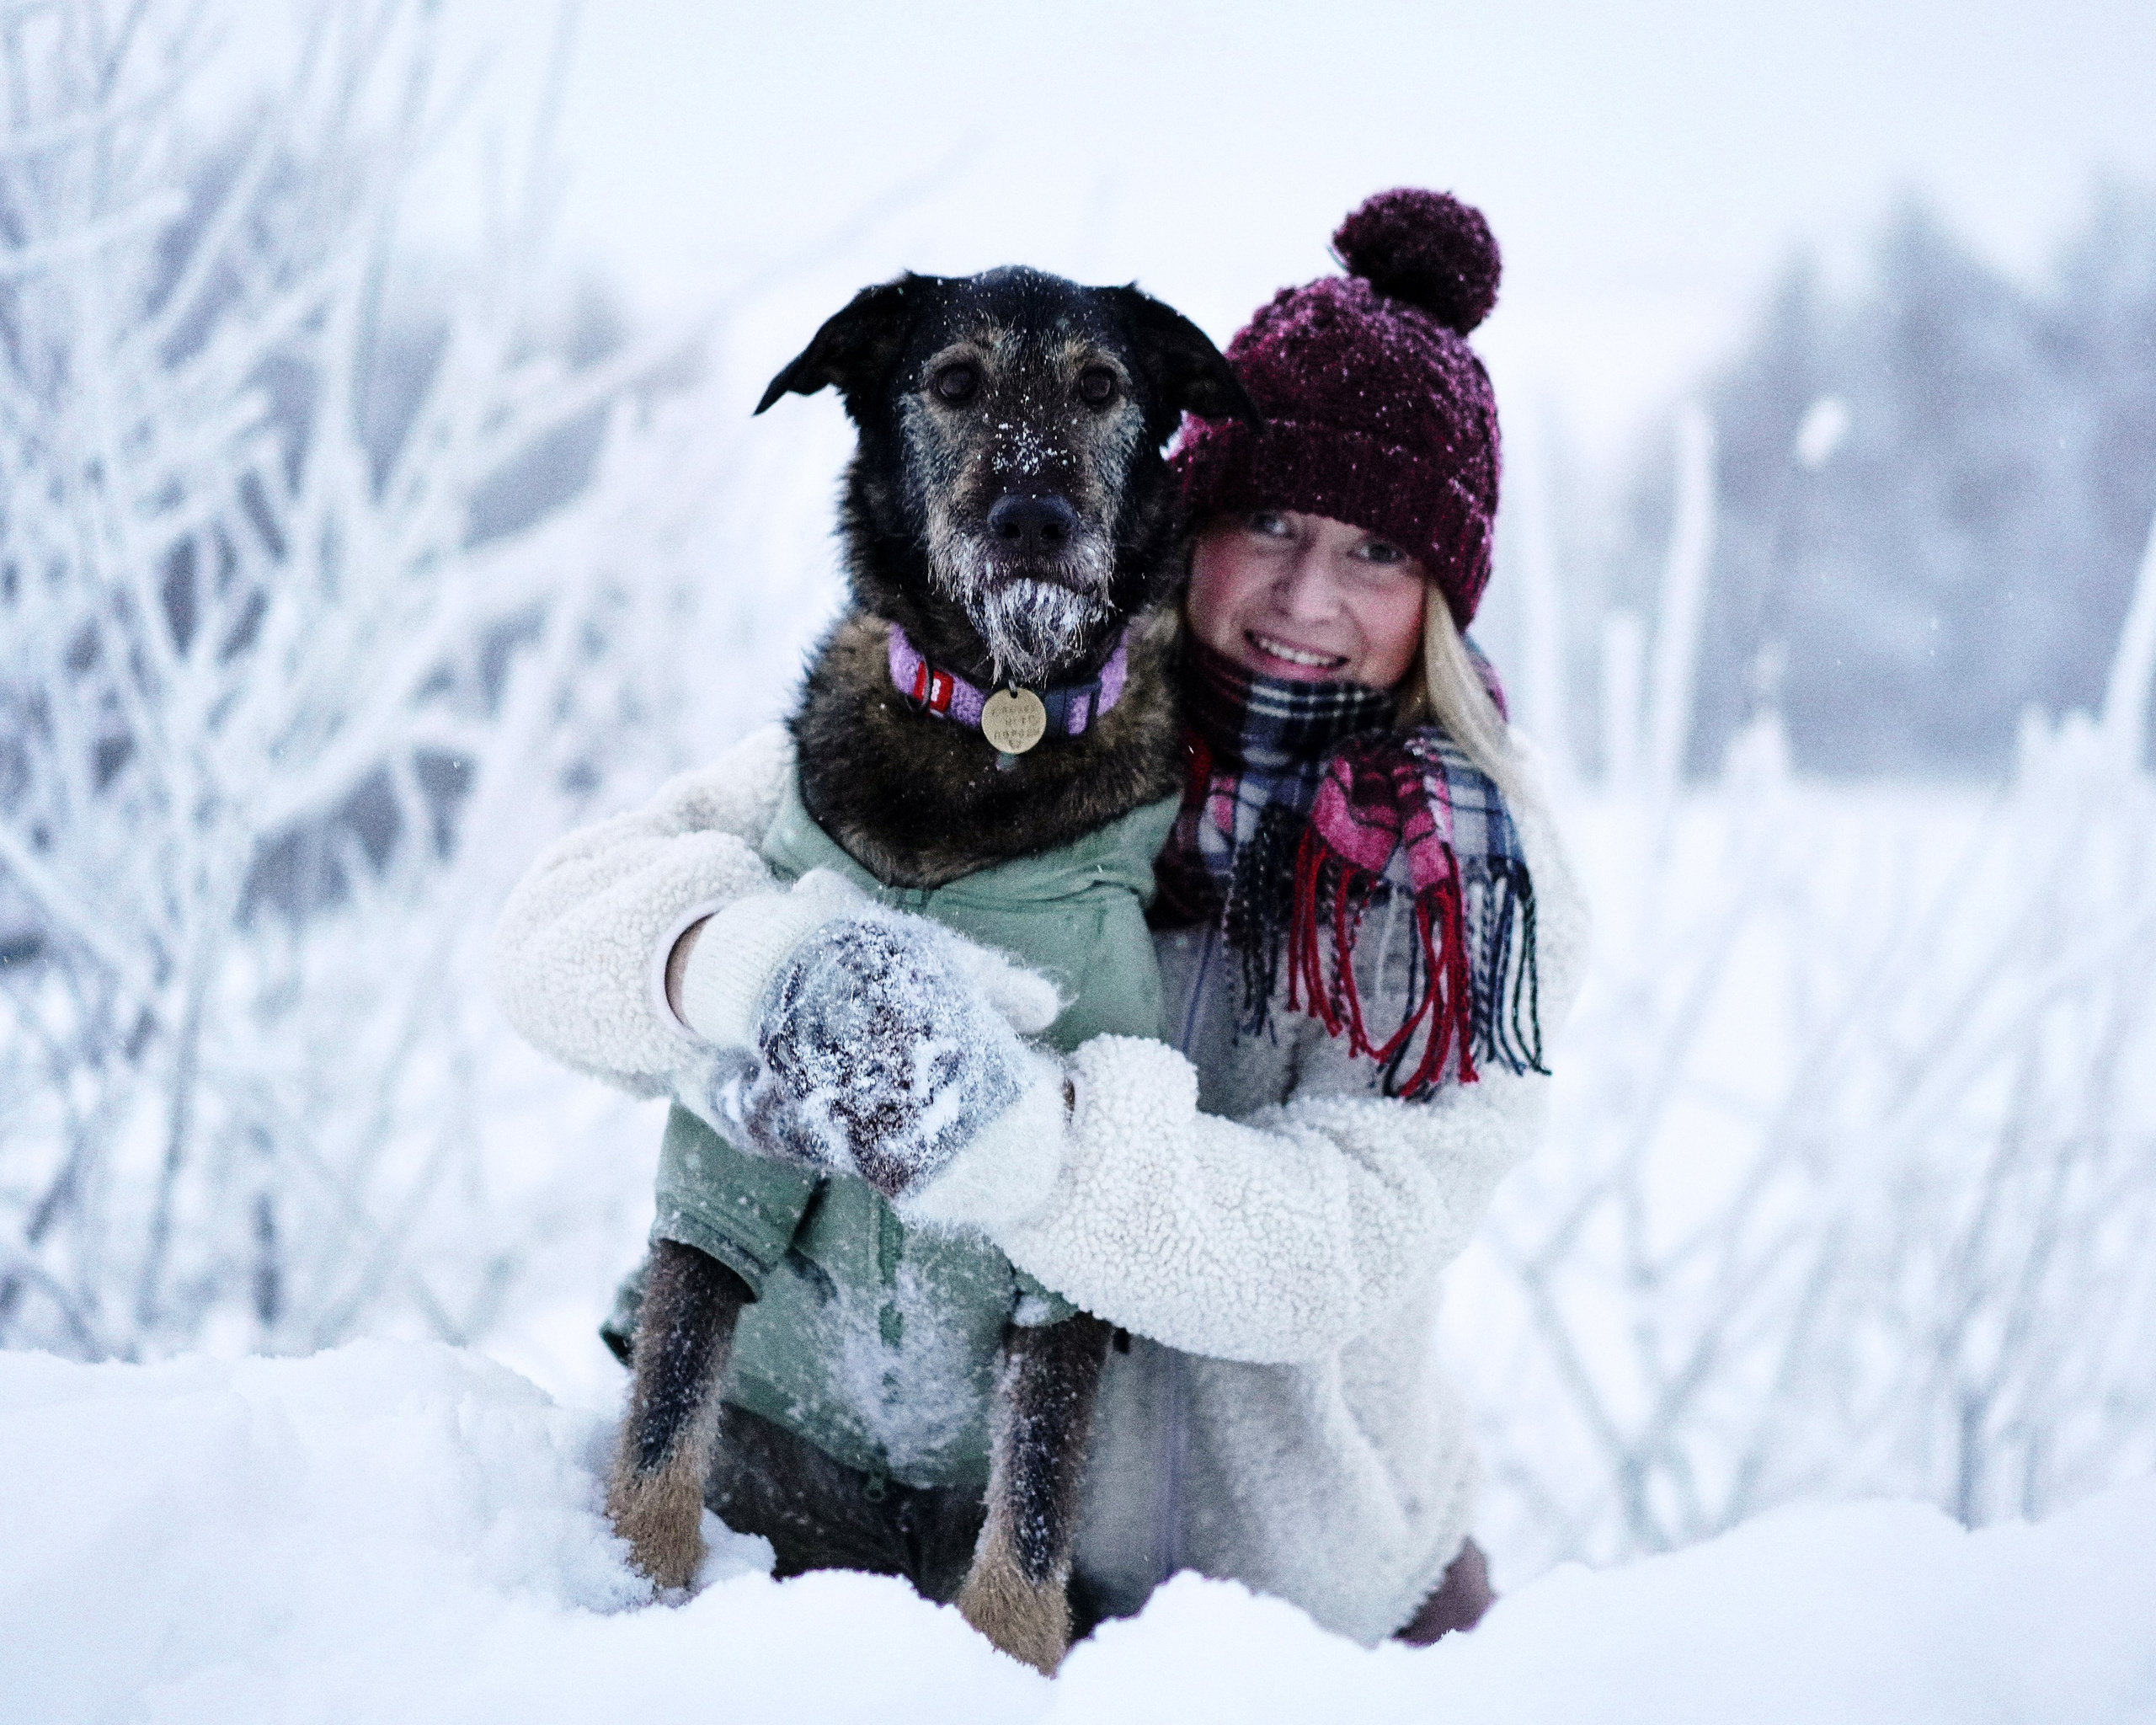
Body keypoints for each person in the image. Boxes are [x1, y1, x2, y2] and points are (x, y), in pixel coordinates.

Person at [488, 187, 1587, 1648]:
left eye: (1377, 554)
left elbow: (1328, 1248)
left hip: (1310, 1627)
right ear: (1185, 514)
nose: (1307, 597)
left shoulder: (1463, 891)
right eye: (1267, 521)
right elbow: (549, 941)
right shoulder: (1013, 734)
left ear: (1442, 595)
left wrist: (1016, 1131)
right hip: (983, 1575)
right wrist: (744, 965)